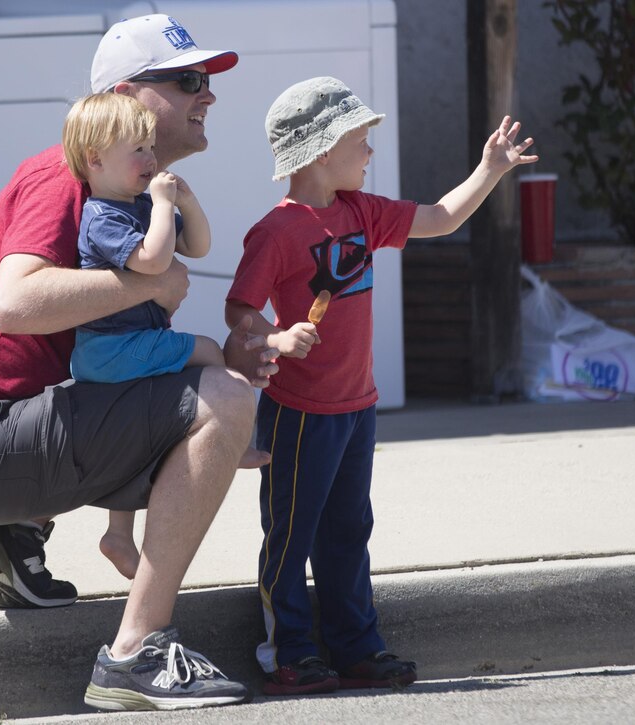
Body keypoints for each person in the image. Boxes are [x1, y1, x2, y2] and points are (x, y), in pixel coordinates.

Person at [0, 14, 277, 711]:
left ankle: (8, 534)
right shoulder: (63, 175)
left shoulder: (131, 193)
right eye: (190, 80)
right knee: (222, 400)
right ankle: (136, 653)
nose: (210, 96)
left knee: (206, 391)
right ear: (131, 98)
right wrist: (150, 288)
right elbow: (13, 304)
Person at [225, 76, 538, 695]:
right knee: (291, 534)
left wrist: (490, 170)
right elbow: (239, 314)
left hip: (356, 409)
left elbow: (441, 218)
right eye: (361, 141)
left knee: (348, 532)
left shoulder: (363, 213)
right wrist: (278, 337)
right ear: (320, 151)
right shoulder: (276, 231)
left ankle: (355, 647)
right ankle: (289, 651)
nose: (370, 152)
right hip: (298, 412)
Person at [61, 92, 230, 579]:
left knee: (138, 442)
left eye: (152, 148)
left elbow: (197, 246)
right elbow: (153, 262)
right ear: (95, 159)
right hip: (114, 349)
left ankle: (118, 536)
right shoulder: (104, 217)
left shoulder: (138, 207)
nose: (151, 159)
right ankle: (233, 432)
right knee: (210, 351)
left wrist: (187, 204)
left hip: (122, 352)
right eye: (138, 149)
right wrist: (160, 203)